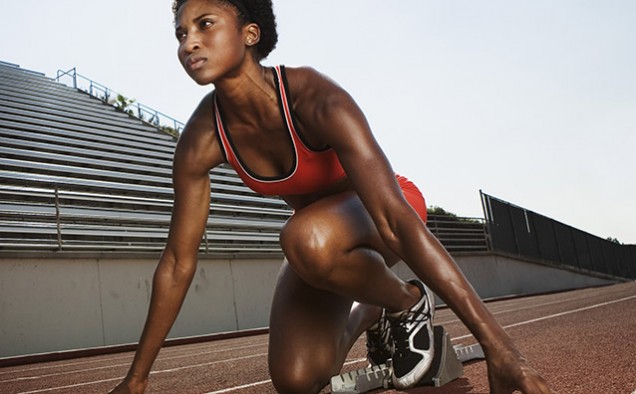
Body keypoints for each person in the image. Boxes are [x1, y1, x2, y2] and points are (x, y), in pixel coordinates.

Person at [111, 0, 552, 393]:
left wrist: (502, 348)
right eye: (181, 33)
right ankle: (374, 312)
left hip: (388, 210)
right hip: (322, 245)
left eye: (205, 24)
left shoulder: (313, 96)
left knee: (303, 237)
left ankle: (406, 300)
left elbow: (394, 220)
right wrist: (137, 379)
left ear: (250, 33)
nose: (189, 43)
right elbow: (176, 263)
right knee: (297, 380)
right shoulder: (201, 140)